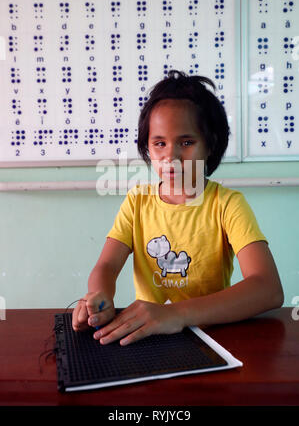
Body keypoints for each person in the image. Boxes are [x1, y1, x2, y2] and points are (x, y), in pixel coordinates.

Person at [72, 70, 284, 346]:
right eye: (159, 143)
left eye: (186, 142)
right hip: (149, 340)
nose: (170, 156)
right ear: (148, 148)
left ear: (210, 145)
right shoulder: (137, 202)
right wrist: (99, 298)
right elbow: (107, 265)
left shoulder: (227, 204)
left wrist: (176, 314)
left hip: (213, 341)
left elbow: (268, 288)